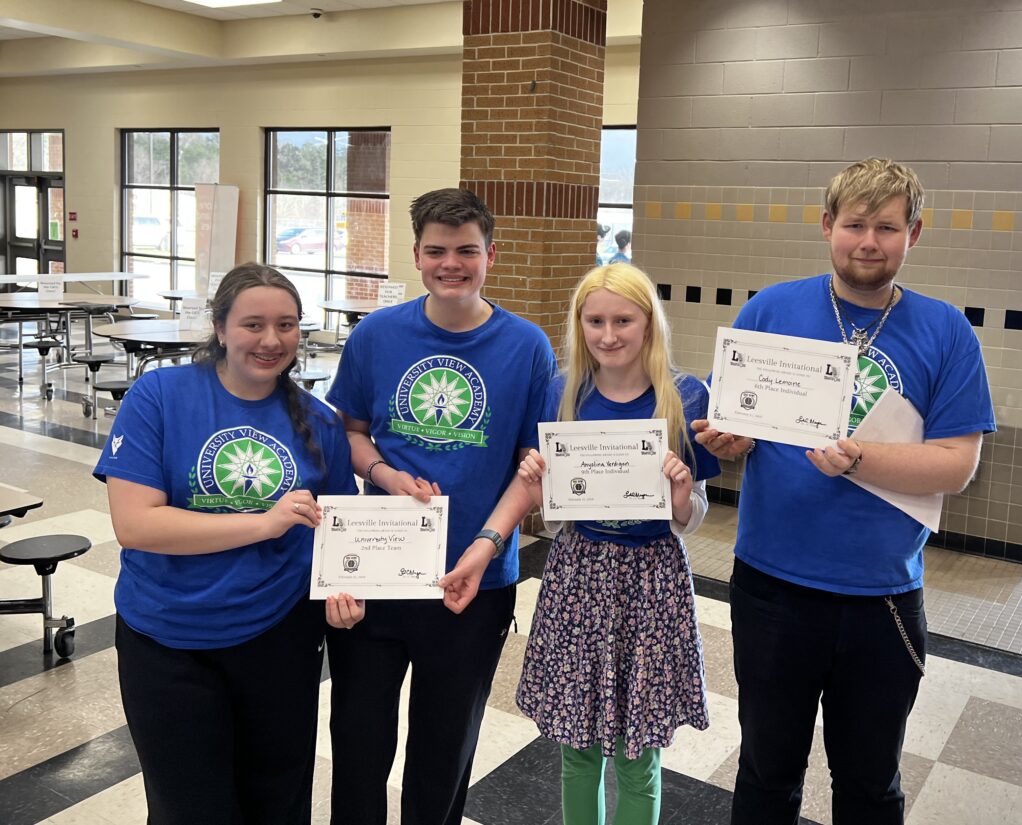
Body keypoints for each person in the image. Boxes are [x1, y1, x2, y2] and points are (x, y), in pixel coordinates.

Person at [692, 158, 996, 825]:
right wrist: (730, 440)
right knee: (767, 771)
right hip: (772, 587)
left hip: (881, 596)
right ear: (827, 226)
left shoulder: (946, 330)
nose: (868, 240)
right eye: (854, 224)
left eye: (887, 227)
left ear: (914, 234)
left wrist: (858, 458)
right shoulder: (772, 308)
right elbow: (738, 424)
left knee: (868, 781)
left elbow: (956, 465)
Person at [93, 263, 359, 824]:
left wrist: (346, 591)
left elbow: (337, 529)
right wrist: (263, 523)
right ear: (219, 327)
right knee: (190, 807)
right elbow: (137, 525)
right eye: (253, 324)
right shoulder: (158, 396)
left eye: (286, 325)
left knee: (278, 801)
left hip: (278, 637)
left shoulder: (321, 422)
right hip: (166, 638)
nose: (271, 340)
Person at [324, 187, 556, 825]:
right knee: (360, 744)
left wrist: (486, 546)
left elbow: (531, 470)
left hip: (472, 581)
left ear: (491, 254)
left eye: (466, 251)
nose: (450, 264)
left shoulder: (528, 347)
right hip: (378, 570)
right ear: (417, 254)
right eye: (436, 251)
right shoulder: (376, 335)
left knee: (444, 749)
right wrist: (386, 474)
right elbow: (349, 432)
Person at [514, 263, 719, 825]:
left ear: (649, 323)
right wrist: (539, 480)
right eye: (595, 320)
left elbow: (694, 515)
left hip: (652, 578)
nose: (609, 335)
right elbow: (554, 517)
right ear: (579, 324)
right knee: (577, 750)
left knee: (639, 753)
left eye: (624, 320)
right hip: (579, 573)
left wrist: (680, 491)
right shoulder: (562, 393)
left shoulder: (684, 396)